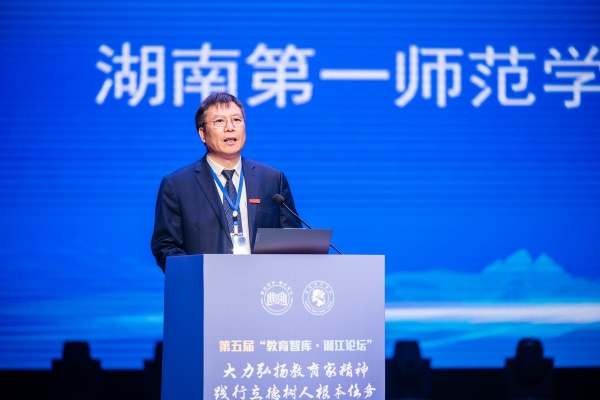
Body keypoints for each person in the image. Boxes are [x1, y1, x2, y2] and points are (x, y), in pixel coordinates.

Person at [151, 92, 302, 272]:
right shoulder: (177, 185)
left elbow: (293, 240)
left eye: (236, 120)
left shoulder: (272, 179)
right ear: (202, 134)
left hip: (263, 284)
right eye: (219, 121)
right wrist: (197, 276)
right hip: (206, 285)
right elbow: (166, 246)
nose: (230, 128)